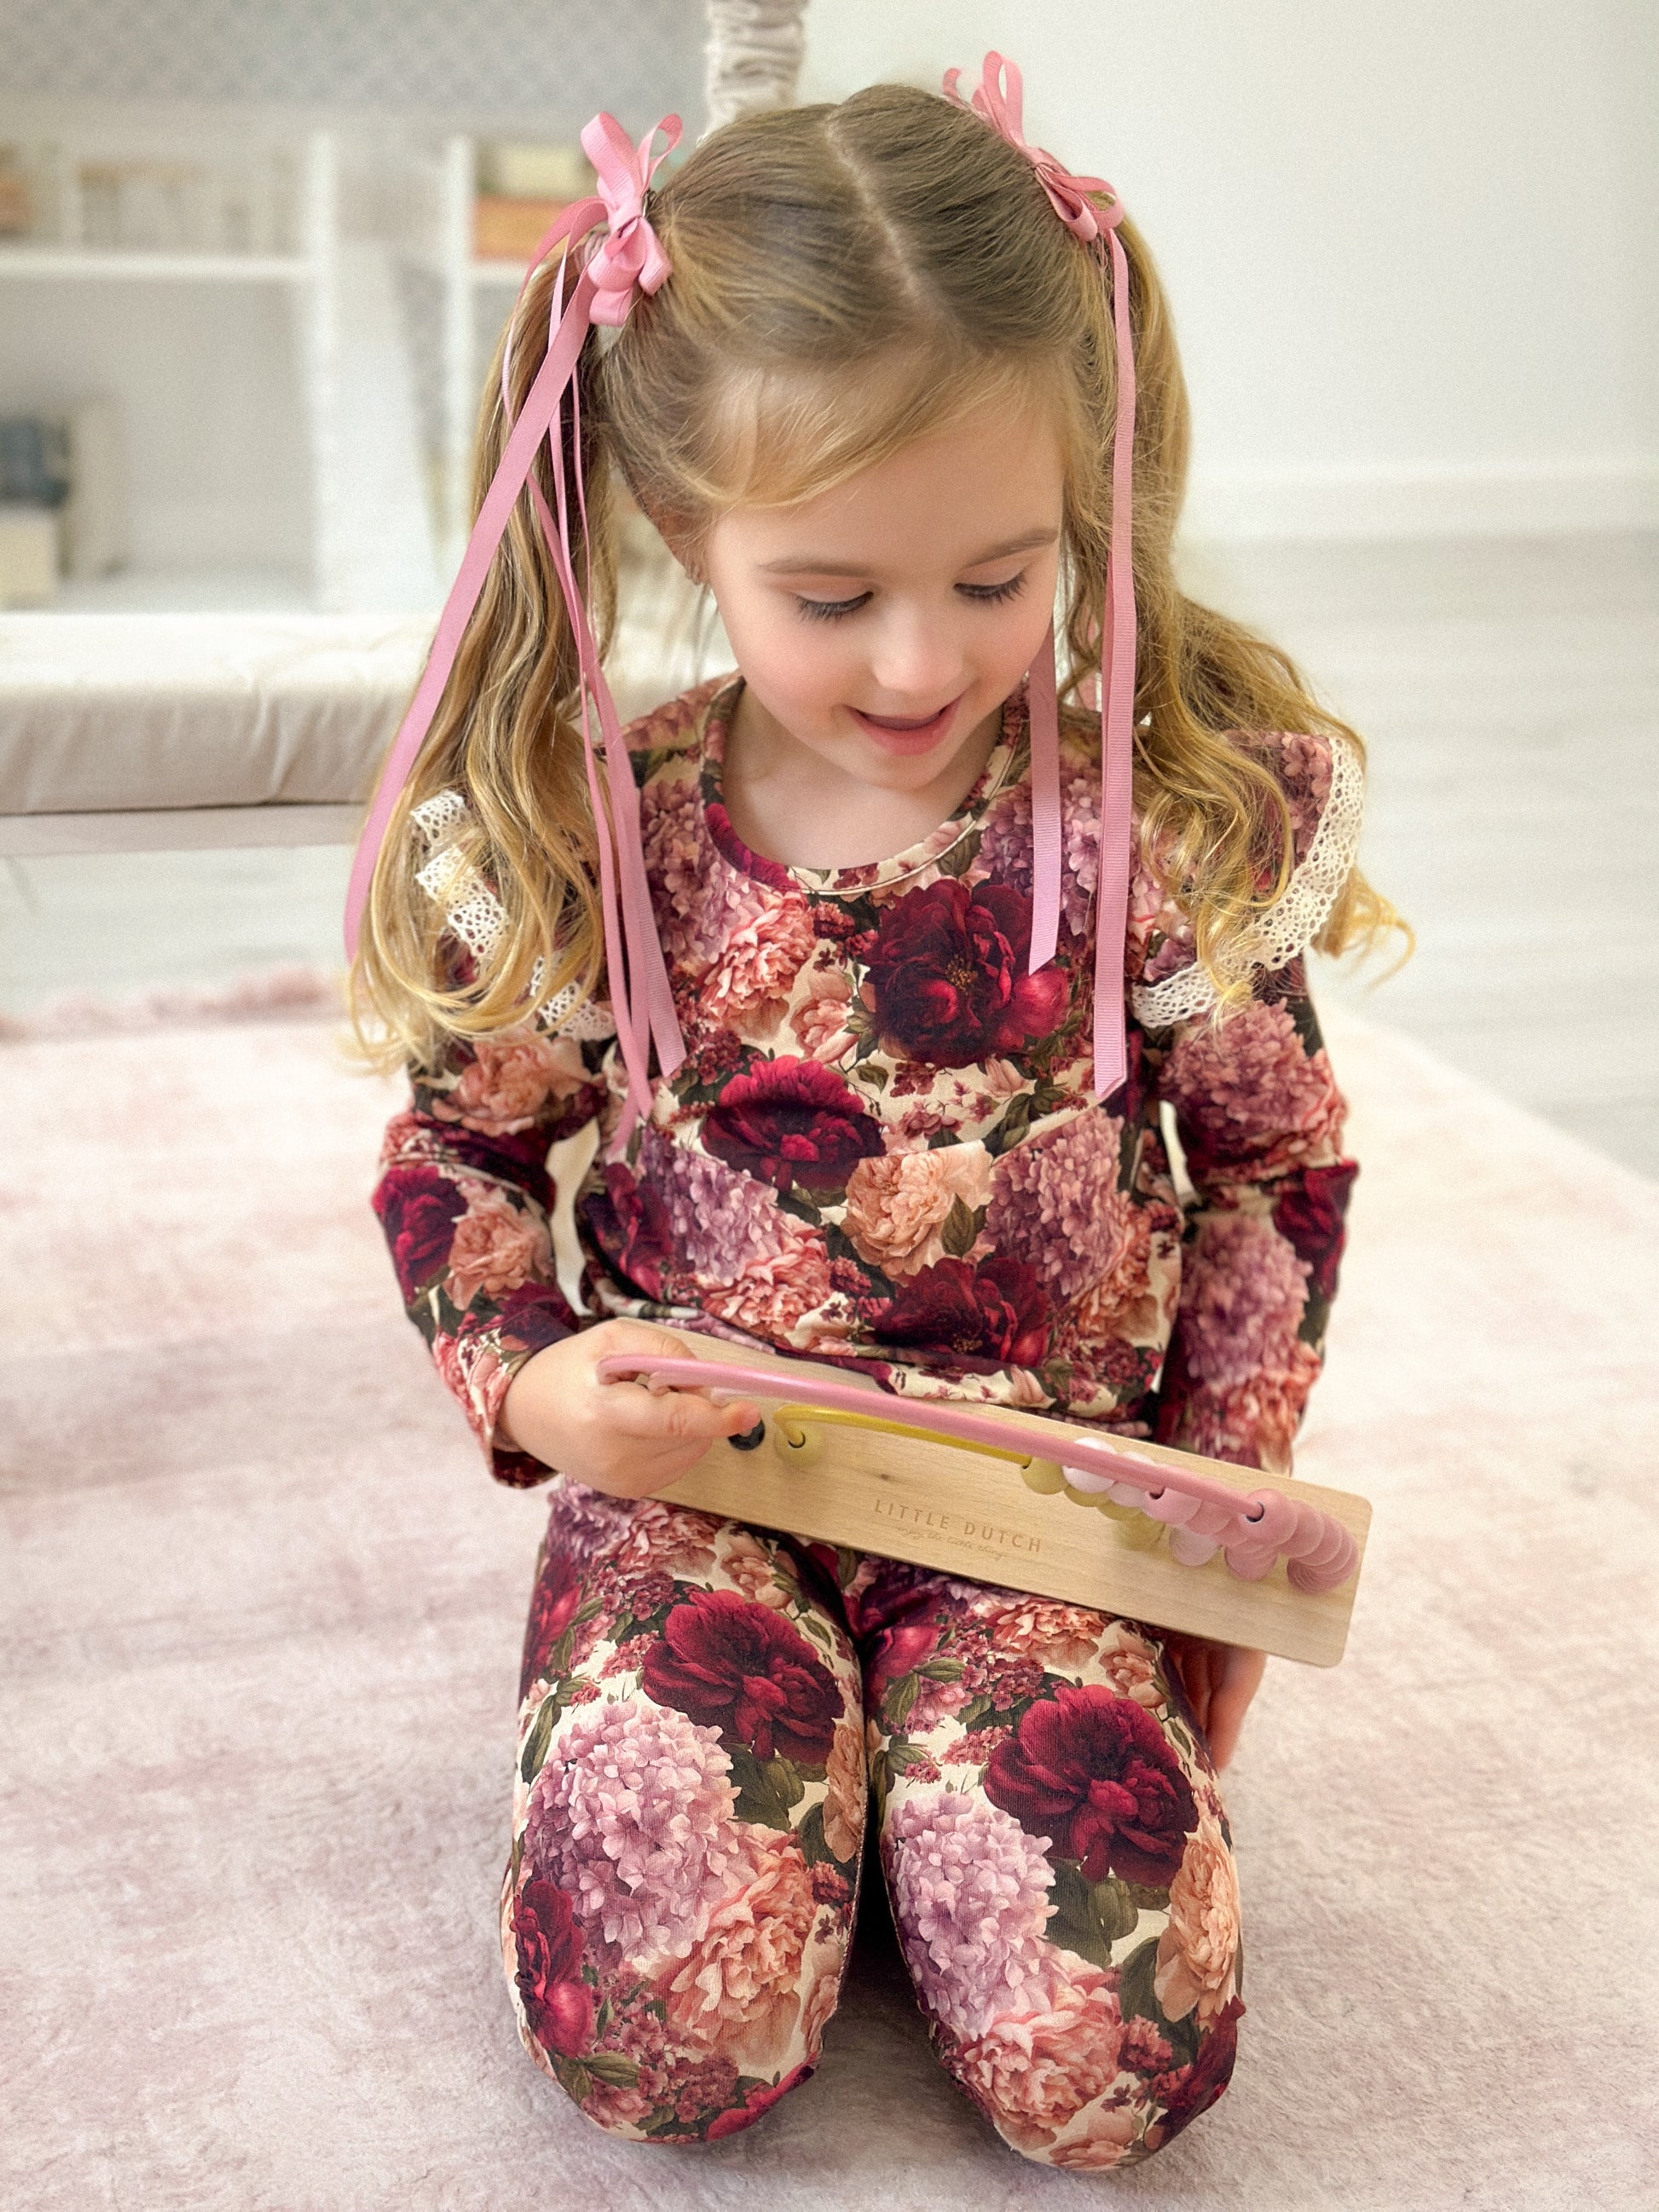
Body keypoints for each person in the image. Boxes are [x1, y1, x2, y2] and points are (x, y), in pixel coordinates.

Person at [350, 58, 1402, 2166]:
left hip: (1038, 1509)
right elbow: (458, 1158)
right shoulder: (598, 831)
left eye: (996, 579)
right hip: (698, 1488)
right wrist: (535, 1386)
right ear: (683, 529)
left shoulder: (1156, 826)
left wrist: (1217, 1527)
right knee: (667, 2036)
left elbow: (1272, 1164)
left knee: (1112, 2069)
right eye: (830, 597)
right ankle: (808, 1804)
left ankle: (914, 1810)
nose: (920, 662)